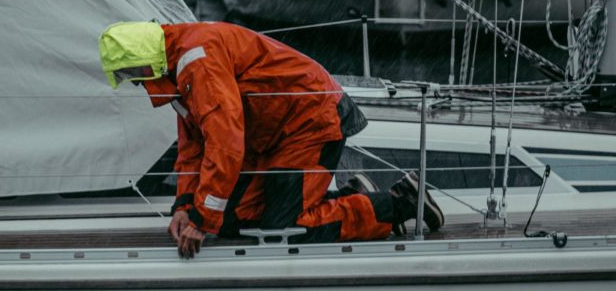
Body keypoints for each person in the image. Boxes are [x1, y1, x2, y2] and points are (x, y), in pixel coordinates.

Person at [99, 21, 443, 258]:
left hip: (310, 120)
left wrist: (203, 221)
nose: (134, 84)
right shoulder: (178, 66)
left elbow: (225, 141)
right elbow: (194, 147)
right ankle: (356, 197)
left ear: (145, 63)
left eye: (130, 75)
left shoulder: (196, 60)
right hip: (276, 134)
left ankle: (401, 202)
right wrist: (186, 208)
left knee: (284, 227)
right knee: (236, 219)